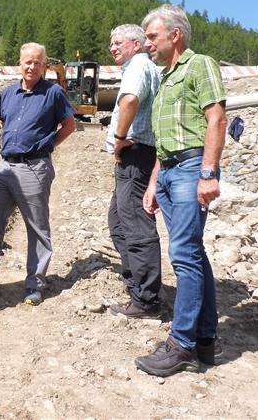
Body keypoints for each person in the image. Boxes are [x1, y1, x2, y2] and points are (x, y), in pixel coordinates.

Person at [137, 4, 227, 377]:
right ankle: (205, 341)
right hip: (172, 169)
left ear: (175, 35)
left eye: (152, 37)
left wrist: (208, 173)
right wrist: (155, 181)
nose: (146, 45)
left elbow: (217, 118)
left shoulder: (199, 64)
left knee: (184, 254)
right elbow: (166, 141)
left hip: (192, 168)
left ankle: (182, 344)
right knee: (193, 251)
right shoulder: (164, 79)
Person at [0, 42, 75, 306]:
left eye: (38, 62)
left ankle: (34, 284)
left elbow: (69, 125)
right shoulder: (8, 93)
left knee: (37, 228)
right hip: (6, 167)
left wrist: (47, 145)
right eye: (28, 61)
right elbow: (6, 124)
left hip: (35, 167)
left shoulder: (53, 93)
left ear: (44, 66)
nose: (32, 66)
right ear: (20, 63)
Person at [106, 24, 162, 318]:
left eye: (118, 42)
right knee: (118, 220)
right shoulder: (143, 66)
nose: (112, 47)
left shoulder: (138, 66)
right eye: (111, 43)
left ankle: (147, 299)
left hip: (135, 155)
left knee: (135, 225)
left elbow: (129, 99)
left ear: (136, 44)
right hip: (136, 157)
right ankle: (139, 286)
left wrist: (118, 139)